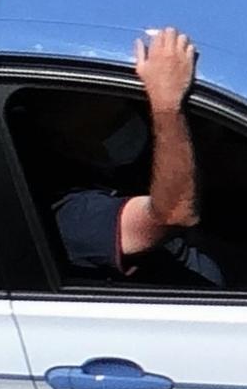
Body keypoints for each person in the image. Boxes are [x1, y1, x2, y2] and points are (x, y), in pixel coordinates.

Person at [46, 27, 229, 288]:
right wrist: (166, 105)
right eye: (112, 125)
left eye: (124, 109)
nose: (129, 123)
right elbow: (173, 214)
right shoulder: (76, 218)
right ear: (66, 140)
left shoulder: (104, 163)